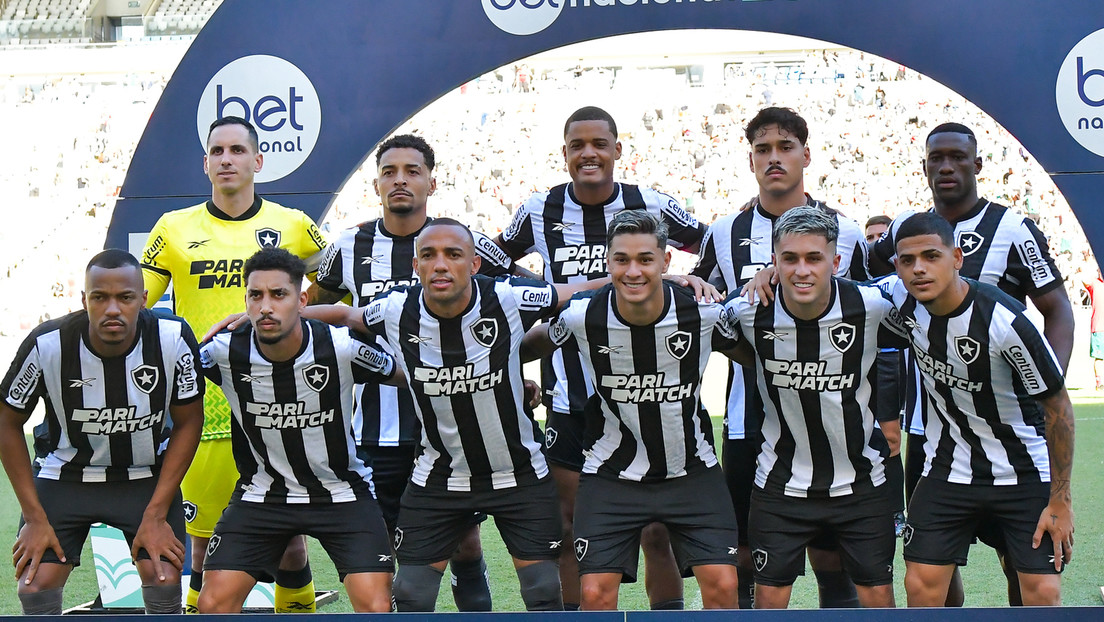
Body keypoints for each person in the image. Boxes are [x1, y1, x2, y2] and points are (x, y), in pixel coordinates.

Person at [302, 218, 607, 612]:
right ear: (416, 267)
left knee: (542, 590)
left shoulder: (508, 297)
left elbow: (573, 292)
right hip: (439, 476)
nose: (440, 264)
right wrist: (265, 317)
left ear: (475, 265)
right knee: (410, 592)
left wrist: (660, 278)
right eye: (428, 255)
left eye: (453, 254)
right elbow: (346, 316)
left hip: (519, 472)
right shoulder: (397, 307)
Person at [489, 105, 710, 611]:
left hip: (644, 392)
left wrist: (684, 280)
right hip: (569, 395)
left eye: (598, 144)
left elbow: (709, 246)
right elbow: (497, 271)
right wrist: (550, 295)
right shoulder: (538, 208)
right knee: (569, 525)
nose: (588, 153)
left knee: (656, 528)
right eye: (577, 145)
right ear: (565, 153)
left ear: (616, 149)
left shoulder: (648, 202)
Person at [869, 122, 1075, 606]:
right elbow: (858, 279)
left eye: (957, 158)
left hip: (1012, 431)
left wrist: (1044, 382)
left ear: (976, 165)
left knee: (1023, 569)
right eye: (935, 158)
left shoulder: (1013, 230)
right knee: (930, 573)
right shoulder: (905, 229)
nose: (946, 166)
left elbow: (1058, 310)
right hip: (934, 430)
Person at [307, 134, 508, 611]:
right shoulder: (348, 246)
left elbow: (517, 303)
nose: (400, 180)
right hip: (377, 424)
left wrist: (510, 375)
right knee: (389, 543)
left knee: (463, 539)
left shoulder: (462, 242)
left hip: (452, 420)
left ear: (431, 182)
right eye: (390, 172)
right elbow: (312, 313)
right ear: (376, 184)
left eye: (412, 171)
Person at [140, 116, 327, 613]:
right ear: (205, 164)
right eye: (217, 152)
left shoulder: (294, 227)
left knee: (290, 540)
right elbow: (133, 303)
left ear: (258, 161)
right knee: (204, 542)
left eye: (238, 151)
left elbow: (334, 289)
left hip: (281, 404)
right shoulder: (173, 230)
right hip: (207, 411)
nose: (227, 159)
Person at [691, 106, 868, 608]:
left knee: (832, 556)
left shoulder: (846, 232)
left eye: (785, 147)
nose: (774, 158)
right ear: (750, 161)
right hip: (751, 418)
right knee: (746, 550)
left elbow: (873, 317)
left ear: (805, 155)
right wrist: (745, 291)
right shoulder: (725, 231)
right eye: (763, 150)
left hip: (833, 420)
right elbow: (706, 310)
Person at [523, 211, 740, 610]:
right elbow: (531, 344)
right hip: (611, 475)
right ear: (608, 263)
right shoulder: (582, 316)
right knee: (595, 593)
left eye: (645, 259)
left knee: (725, 586)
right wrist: (512, 377)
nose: (633, 270)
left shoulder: (704, 314)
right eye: (621, 260)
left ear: (666, 262)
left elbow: (754, 349)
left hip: (691, 470)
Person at [196, 248, 400, 613]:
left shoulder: (341, 348)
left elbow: (415, 379)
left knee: (376, 606)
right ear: (245, 301)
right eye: (255, 296)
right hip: (262, 496)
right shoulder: (222, 352)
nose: (265, 306)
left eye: (279, 294)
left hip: (341, 493)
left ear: (301, 300)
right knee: (213, 603)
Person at [0, 249, 204, 615]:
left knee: (163, 578)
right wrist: (33, 517)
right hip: (65, 475)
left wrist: (157, 514)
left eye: (125, 298)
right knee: (35, 583)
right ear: (84, 300)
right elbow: (6, 422)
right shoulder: (48, 344)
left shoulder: (172, 339)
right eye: (100, 297)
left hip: (144, 476)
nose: (113, 309)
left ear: (143, 299)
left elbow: (189, 421)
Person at [728, 207, 901, 609]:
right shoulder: (748, 309)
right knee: (768, 604)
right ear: (774, 262)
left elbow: (932, 313)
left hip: (862, 484)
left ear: (835, 262)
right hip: (779, 486)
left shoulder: (871, 307)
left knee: (879, 603)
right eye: (789, 258)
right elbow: (687, 315)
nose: (801, 270)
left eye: (813, 258)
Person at [1081, 269, 1104, 390]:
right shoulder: (1095, 283)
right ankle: (1099, 382)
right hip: (1099, 327)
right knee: (1099, 357)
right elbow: (1084, 279)